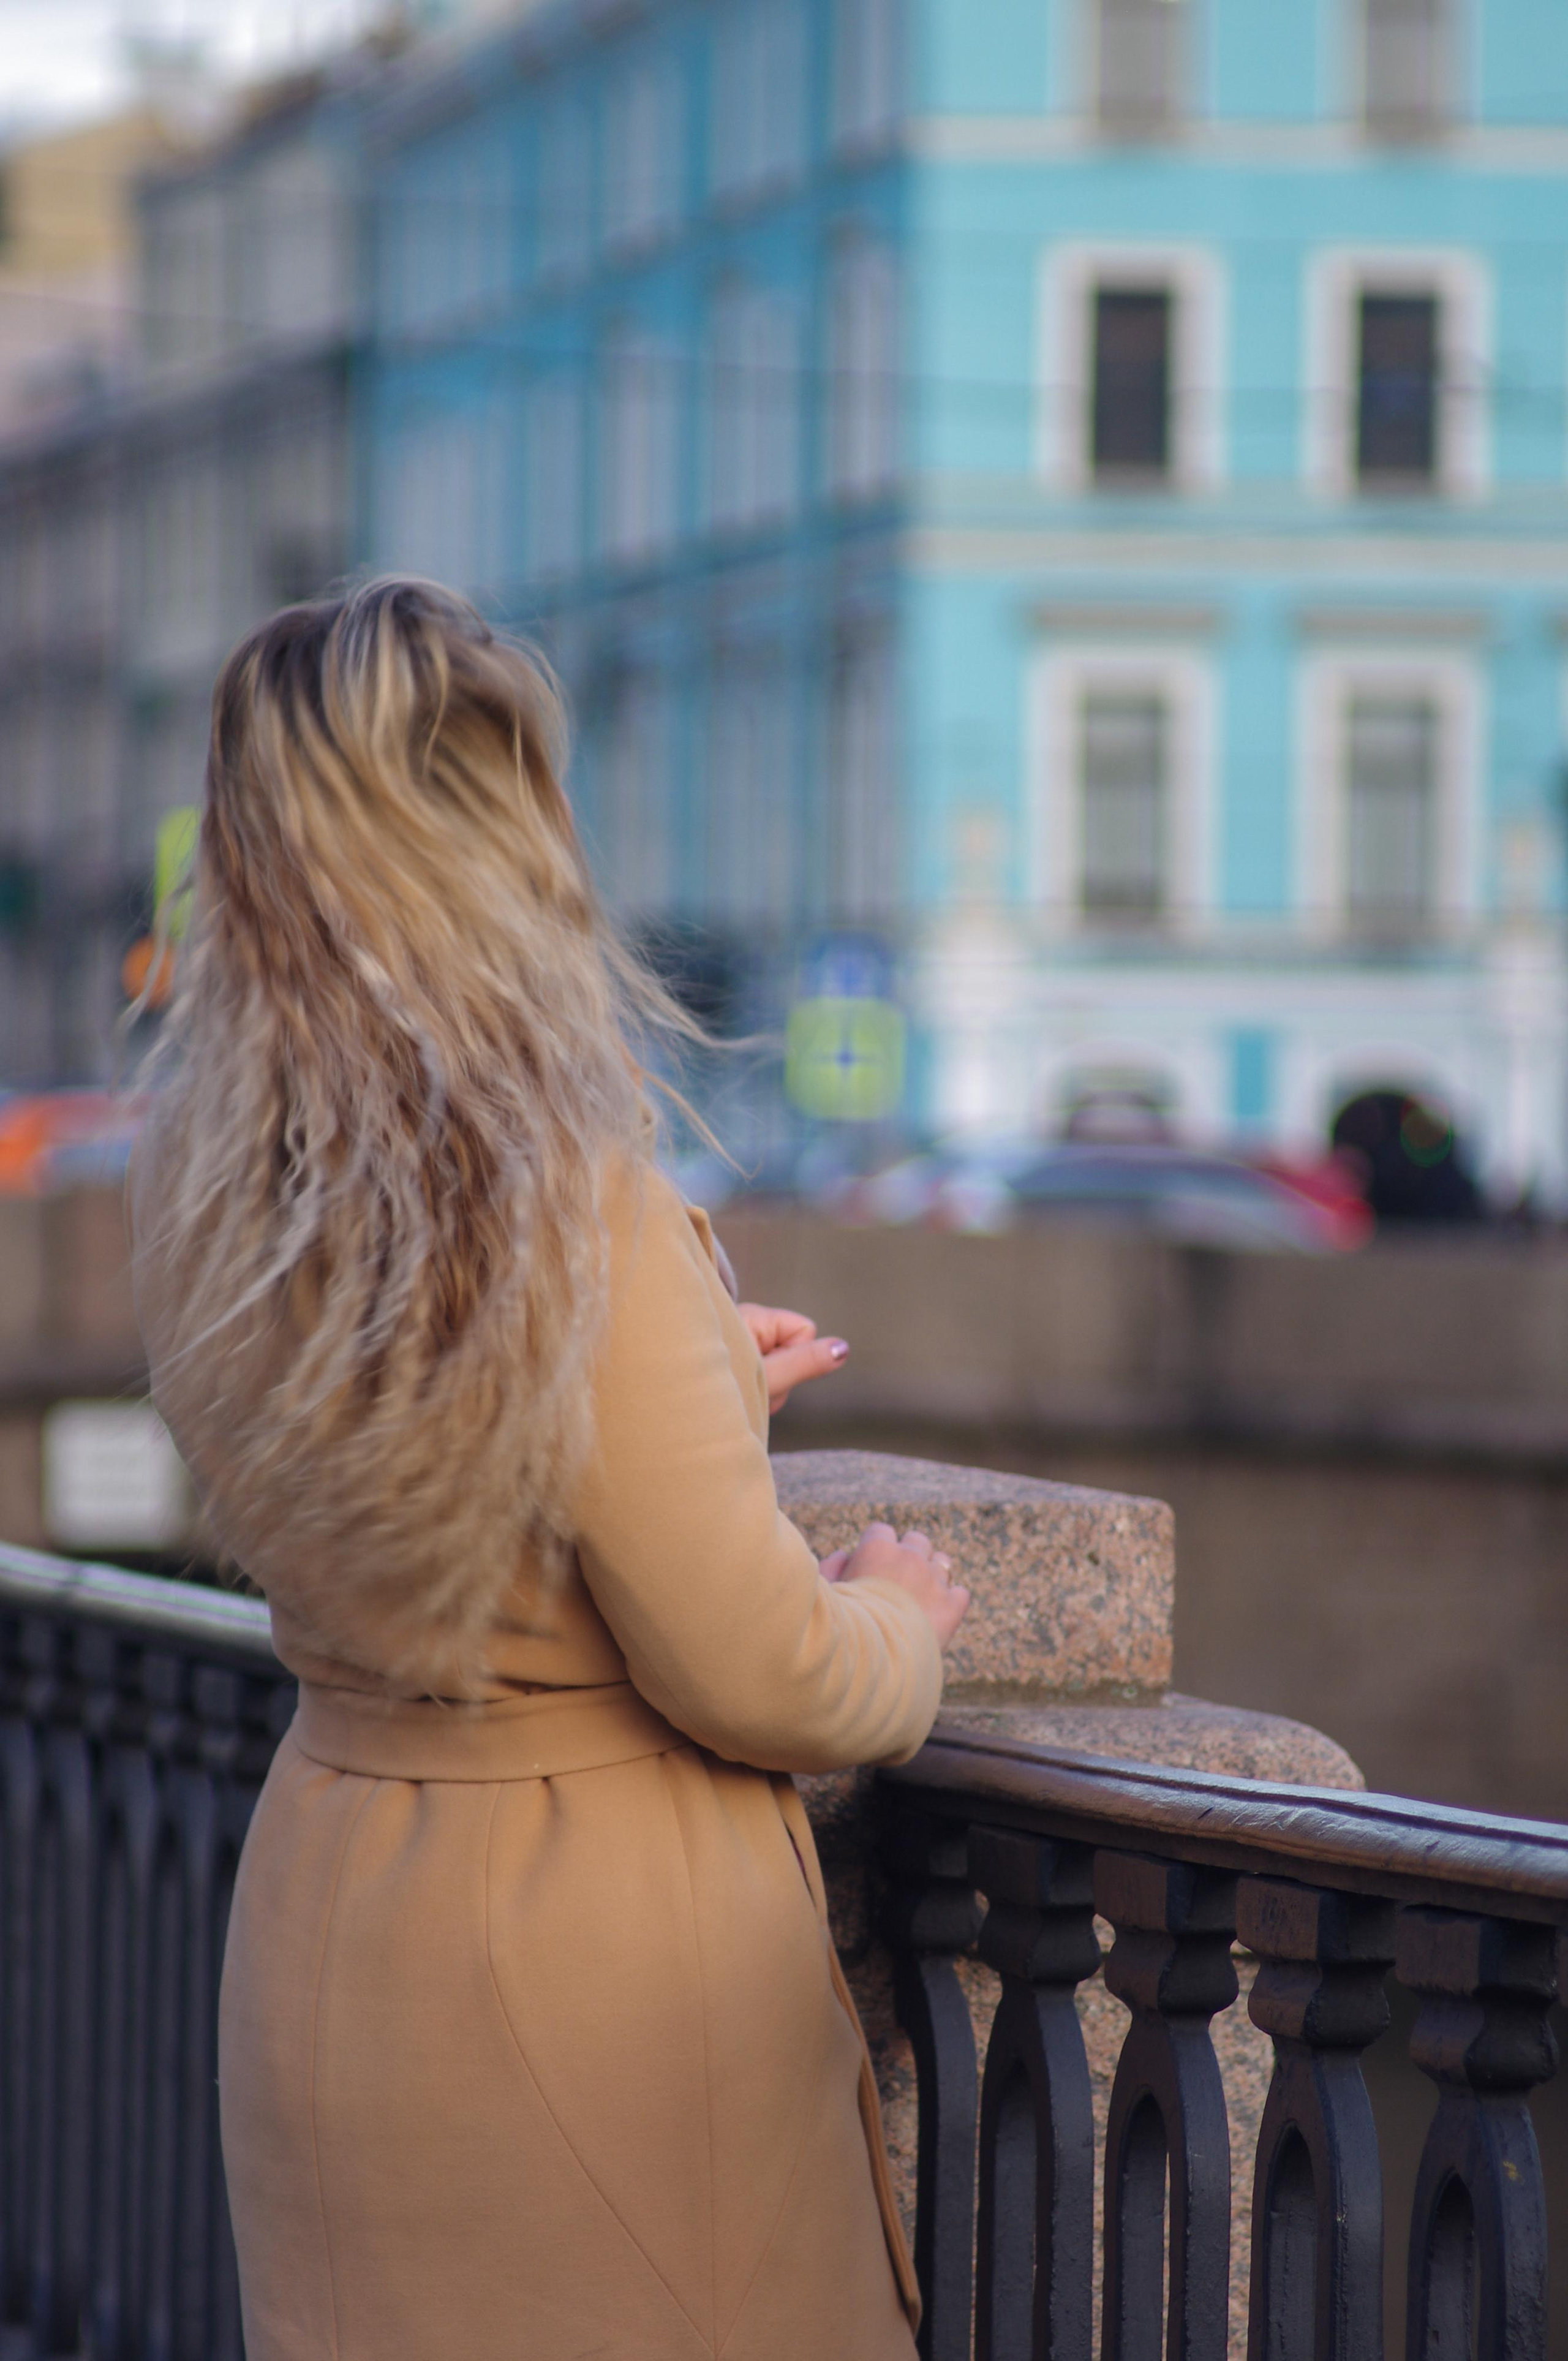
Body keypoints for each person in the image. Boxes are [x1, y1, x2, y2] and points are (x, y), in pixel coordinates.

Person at [130, 578, 969, 2361]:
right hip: (587, 1974)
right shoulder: (576, 1214)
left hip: (339, 1917)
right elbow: (766, 1670)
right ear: (501, 838)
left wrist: (689, 1402)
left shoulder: (228, 1204)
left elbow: (438, 1504)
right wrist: (899, 1618)